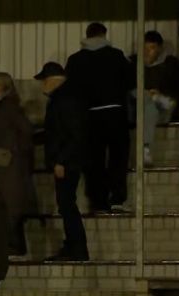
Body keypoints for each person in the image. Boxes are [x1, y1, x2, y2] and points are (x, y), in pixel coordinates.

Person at [65, 23, 133, 213]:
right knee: (118, 158)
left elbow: (71, 90)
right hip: (116, 112)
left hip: (90, 116)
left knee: (94, 160)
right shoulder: (117, 55)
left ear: (86, 36)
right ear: (104, 35)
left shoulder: (75, 60)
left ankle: (97, 201)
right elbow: (130, 81)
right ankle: (117, 197)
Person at [35, 62, 89, 262]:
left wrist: (61, 161)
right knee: (65, 204)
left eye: (44, 81)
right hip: (67, 161)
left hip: (67, 163)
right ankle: (73, 245)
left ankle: (77, 248)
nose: (42, 86)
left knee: (67, 205)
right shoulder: (64, 97)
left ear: (53, 80)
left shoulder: (65, 99)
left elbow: (73, 135)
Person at [0, 72, 37, 257]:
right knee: (7, 205)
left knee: (9, 205)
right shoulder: (2, 107)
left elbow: (26, 130)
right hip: (4, 164)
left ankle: (14, 244)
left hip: (8, 164)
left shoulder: (7, 107)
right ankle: (13, 243)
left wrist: (13, 151)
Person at [132, 31, 179, 167]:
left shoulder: (170, 65)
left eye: (151, 48)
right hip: (143, 111)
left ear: (160, 49)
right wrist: (151, 95)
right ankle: (146, 150)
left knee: (150, 104)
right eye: (144, 48)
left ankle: (158, 98)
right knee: (145, 100)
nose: (146, 52)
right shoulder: (133, 63)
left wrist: (161, 93)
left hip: (165, 111)